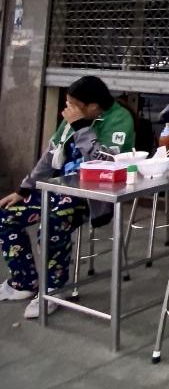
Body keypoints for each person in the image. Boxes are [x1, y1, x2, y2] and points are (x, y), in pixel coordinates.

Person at [0, 76, 135, 317]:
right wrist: (24, 189)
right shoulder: (72, 117)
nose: (67, 109)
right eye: (67, 103)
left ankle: (54, 290)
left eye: (74, 104)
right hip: (58, 189)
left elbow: (105, 163)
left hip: (92, 197)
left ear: (93, 107)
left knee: (51, 224)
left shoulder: (119, 120)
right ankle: (23, 281)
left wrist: (81, 127)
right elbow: (50, 155)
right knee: (6, 214)